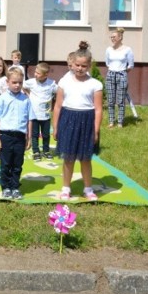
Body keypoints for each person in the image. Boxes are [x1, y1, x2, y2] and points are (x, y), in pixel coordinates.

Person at [53, 41, 103, 201]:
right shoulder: (64, 82)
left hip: (87, 122)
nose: (80, 69)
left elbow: (98, 109)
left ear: (89, 66)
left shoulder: (95, 84)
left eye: (84, 66)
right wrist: (55, 127)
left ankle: (88, 189)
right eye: (77, 65)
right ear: (72, 64)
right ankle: (66, 188)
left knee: (86, 158)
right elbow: (58, 106)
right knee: (68, 157)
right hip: (68, 120)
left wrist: (95, 130)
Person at [0, 67, 35, 200]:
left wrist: (29, 137)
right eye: (14, 82)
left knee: (17, 164)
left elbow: (30, 119)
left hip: (20, 137)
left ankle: (15, 187)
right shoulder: (1, 99)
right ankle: (5, 187)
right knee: (5, 164)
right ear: (7, 82)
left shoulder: (26, 100)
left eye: (20, 83)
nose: (17, 85)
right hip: (5, 136)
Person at [23, 62, 58, 161]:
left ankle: (46, 151)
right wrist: (28, 94)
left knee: (46, 134)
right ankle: (36, 151)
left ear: (46, 74)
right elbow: (23, 85)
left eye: (38, 73)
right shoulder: (31, 82)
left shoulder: (51, 83)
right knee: (35, 134)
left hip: (46, 115)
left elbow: (59, 91)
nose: (35, 74)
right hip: (34, 114)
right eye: (35, 72)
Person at [105, 27, 134, 128]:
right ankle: (111, 121)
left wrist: (122, 72)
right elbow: (107, 63)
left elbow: (130, 65)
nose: (112, 38)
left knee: (121, 100)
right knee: (110, 99)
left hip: (122, 75)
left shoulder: (128, 50)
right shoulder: (109, 49)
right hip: (110, 74)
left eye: (114, 37)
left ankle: (120, 122)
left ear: (120, 37)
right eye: (111, 37)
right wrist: (113, 71)